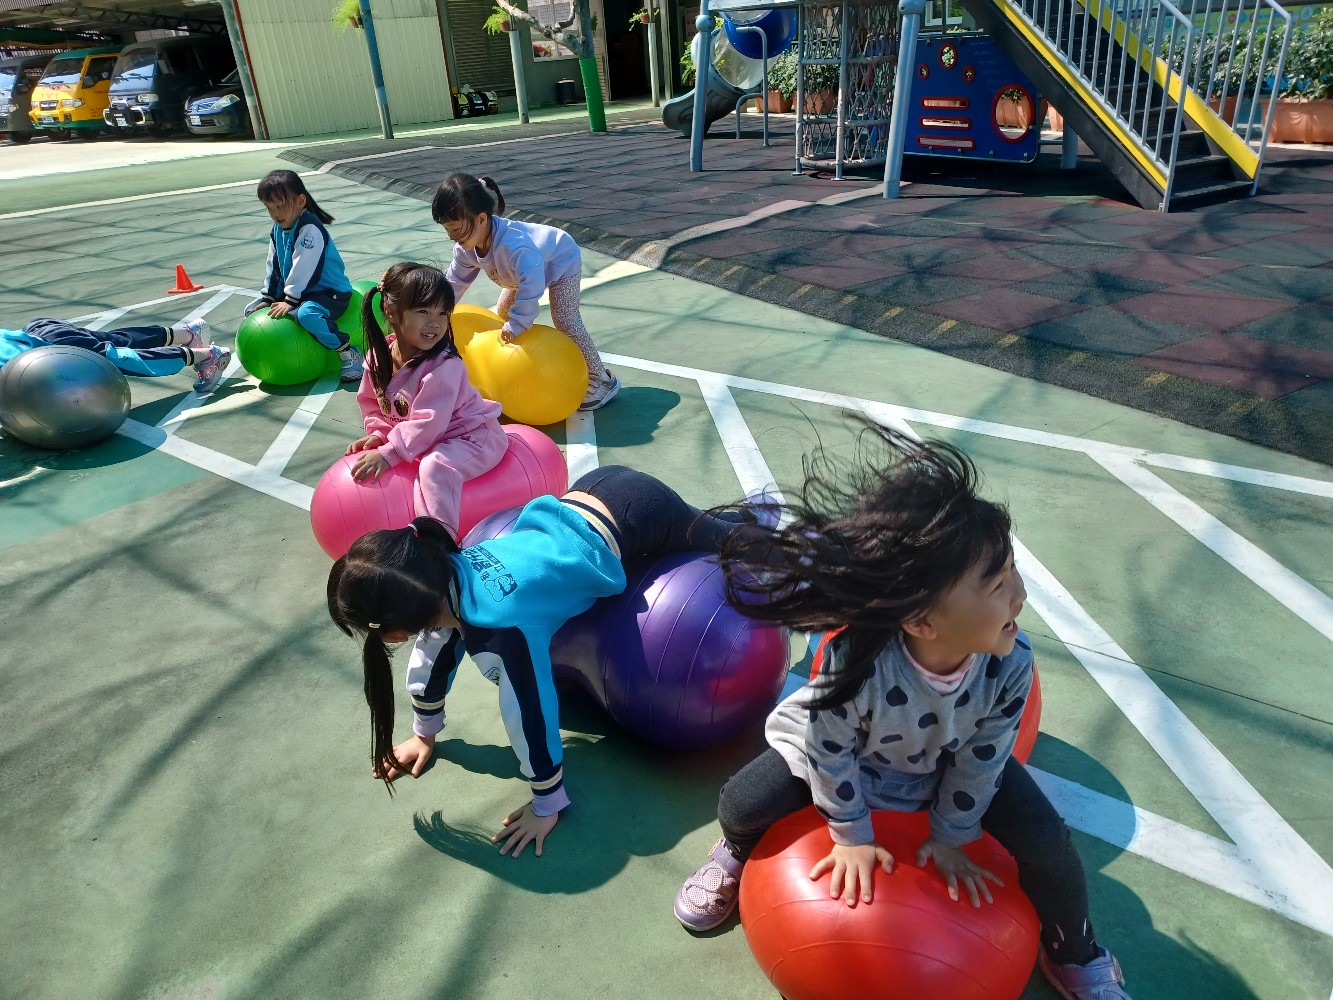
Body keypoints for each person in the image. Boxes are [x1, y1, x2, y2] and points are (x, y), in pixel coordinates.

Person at [674, 426, 1133, 1000]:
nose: (1018, 594)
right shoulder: (859, 662)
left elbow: (983, 757)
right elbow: (829, 749)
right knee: (741, 803)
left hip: (943, 761)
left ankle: (1074, 952)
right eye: (996, 584)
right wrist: (851, 836)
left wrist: (952, 834)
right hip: (844, 754)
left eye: (1012, 570)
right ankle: (735, 853)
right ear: (922, 621)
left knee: (1048, 841)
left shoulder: (1009, 665)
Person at [327, 466, 762, 859]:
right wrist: (424, 734)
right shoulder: (441, 581)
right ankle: (744, 518)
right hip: (591, 495)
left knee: (745, 546)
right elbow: (432, 657)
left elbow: (529, 710)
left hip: (636, 514)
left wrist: (547, 802)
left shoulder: (499, 623)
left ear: (394, 630)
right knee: (714, 527)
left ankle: (778, 529)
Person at [431, 172, 620, 412]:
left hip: (561, 262)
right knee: (503, 312)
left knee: (566, 318)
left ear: (481, 219)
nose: (452, 237)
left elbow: (531, 285)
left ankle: (603, 378)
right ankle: (513, 364)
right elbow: (455, 281)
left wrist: (519, 323)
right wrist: (438, 309)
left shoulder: (514, 247)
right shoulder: (466, 248)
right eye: (447, 230)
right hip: (519, 276)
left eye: (456, 229)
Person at [346, 261, 509, 539]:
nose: (435, 323)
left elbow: (428, 423)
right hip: (431, 439)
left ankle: (437, 543)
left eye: (442, 313)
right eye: (423, 311)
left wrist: (390, 453)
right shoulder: (377, 357)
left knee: (435, 467)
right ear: (391, 311)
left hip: (472, 438)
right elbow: (372, 404)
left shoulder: (444, 366)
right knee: (422, 458)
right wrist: (378, 433)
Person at [243, 169, 363, 383]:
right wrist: (269, 297)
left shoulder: (310, 228)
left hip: (330, 293)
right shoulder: (278, 229)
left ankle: (347, 352)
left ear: (300, 201)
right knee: (251, 309)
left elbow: (304, 267)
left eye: (280, 206)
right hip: (304, 292)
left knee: (308, 315)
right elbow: (274, 264)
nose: (275, 214)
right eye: (269, 208)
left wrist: (290, 300)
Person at [1, 317, 229, 394]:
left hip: (50, 351)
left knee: (118, 360)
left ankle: (207, 356)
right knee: (114, 341)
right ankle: (188, 334)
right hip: (39, 330)